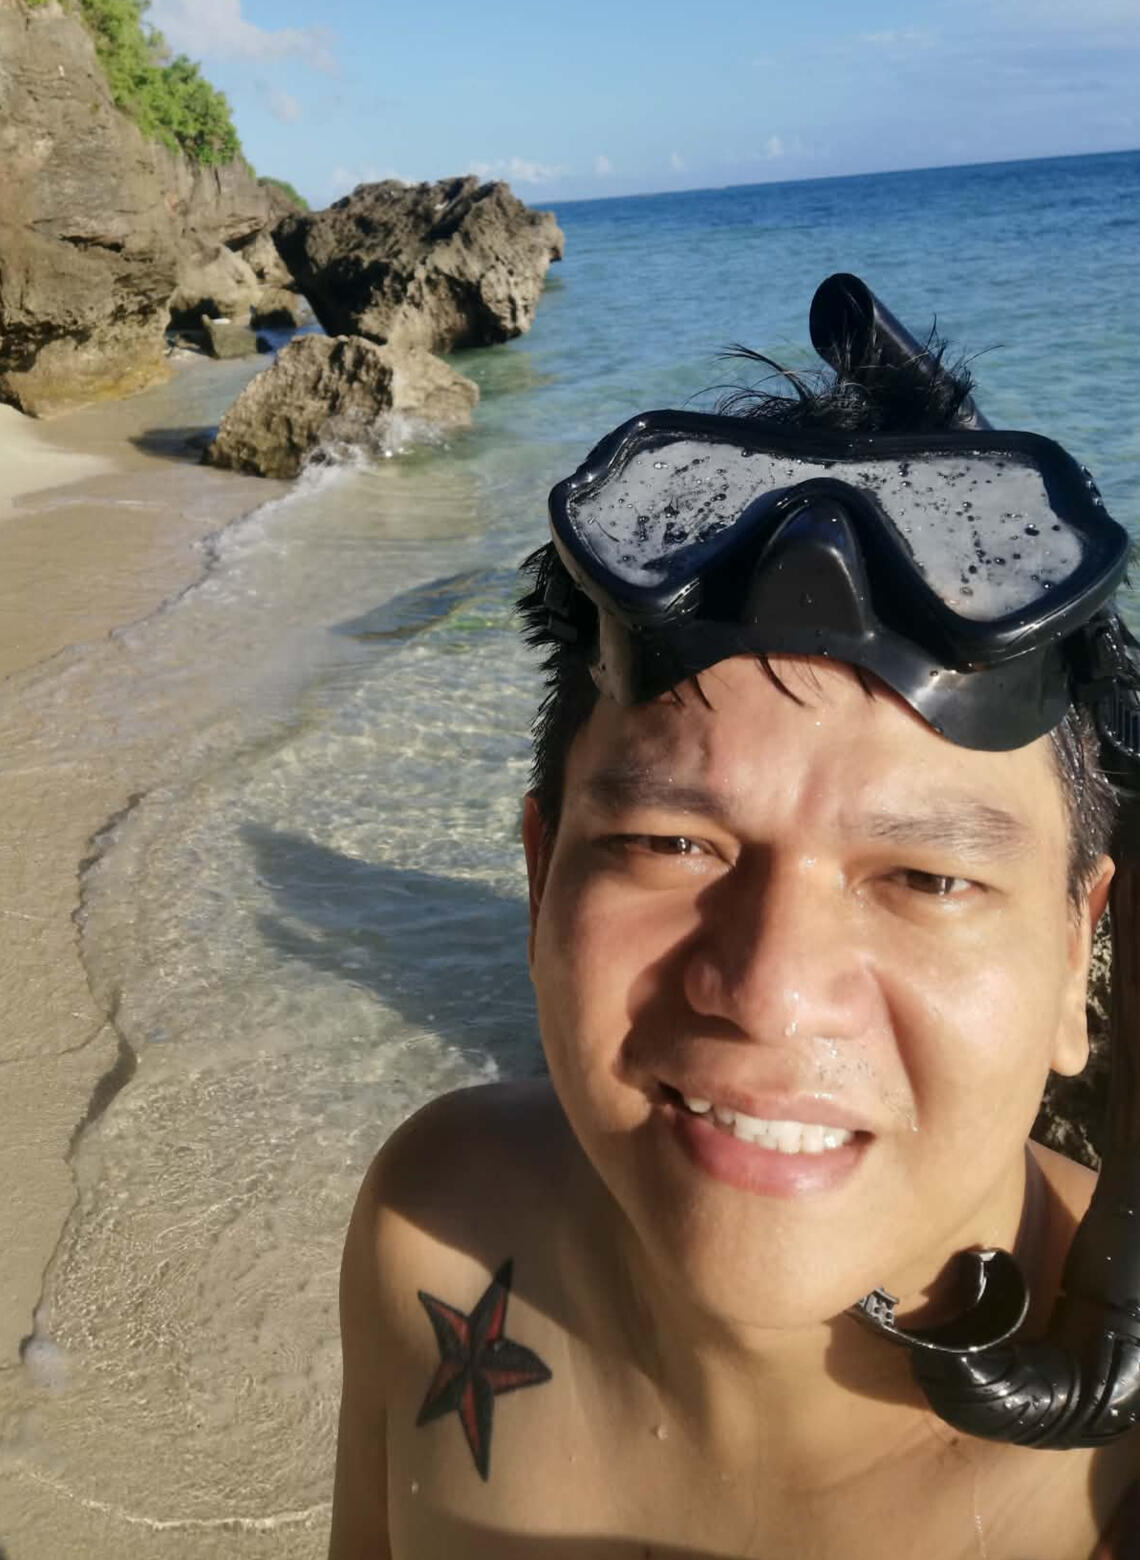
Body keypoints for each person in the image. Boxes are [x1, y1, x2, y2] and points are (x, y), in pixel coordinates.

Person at [328, 276, 1140, 1558]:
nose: (770, 990)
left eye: (927, 878)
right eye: (668, 844)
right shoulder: (435, 1232)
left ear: (1081, 949)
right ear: (540, 883)